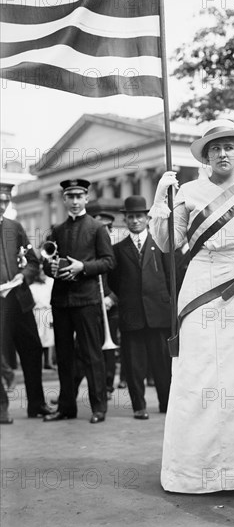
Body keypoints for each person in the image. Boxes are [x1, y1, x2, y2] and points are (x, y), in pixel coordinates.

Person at [149, 119, 234, 493]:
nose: (223, 154)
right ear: (206, 156)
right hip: (202, 289)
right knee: (199, 377)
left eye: (229, 148)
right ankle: (193, 473)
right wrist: (161, 199)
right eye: (215, 149)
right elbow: (167, 243)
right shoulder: (188, 191)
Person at [43, 179, 115, 423]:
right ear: (64, 200)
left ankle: (98, 408)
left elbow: (108, 261)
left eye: (78, 197)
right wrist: (50, 267)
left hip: (87, 301)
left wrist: (82, 267)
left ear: (86, 198)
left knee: (91, 355)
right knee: (63, 356)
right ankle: (66, 408)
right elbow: (47, 262)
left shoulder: (97, 228)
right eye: (70, 197)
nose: (74, 201)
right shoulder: (57, 230)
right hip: (61, 302)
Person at [108, 195, 172, 420]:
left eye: (139, 216)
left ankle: (166, 403)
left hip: (158, 313)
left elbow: (170, 277)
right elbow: (113, 281)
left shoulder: (161, 245)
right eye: (131, 217)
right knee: (134, 364)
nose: (135, 221)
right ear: (125, 220)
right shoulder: (117, 249)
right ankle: (139, 406)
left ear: (147, 218)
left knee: (162, 362)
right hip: (131, 314)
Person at [0, 182, 52, 422]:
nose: (1, 205)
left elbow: (33, 261)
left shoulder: (15, 227)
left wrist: (24, 275)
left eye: (5, 201)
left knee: (32, 350)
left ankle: (37, 404)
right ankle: (2, 408)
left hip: (20, 300)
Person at [73, 211, 119, 401]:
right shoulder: (88, 252)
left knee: (107, 351)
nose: (104, 231)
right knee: (81, 349)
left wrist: (112, 298)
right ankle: (71, 389)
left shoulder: (116, 251)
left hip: (110, 307)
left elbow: (125, 283)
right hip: (91, 305)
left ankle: (107, 387)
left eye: (107, 228)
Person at [30, 262, 55, 369]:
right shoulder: (32, 287)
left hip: (47, 313)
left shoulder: (50, 283)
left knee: (49, 338)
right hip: (37, 313)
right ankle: (37, 363)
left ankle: (48, 361)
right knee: (37, 338)